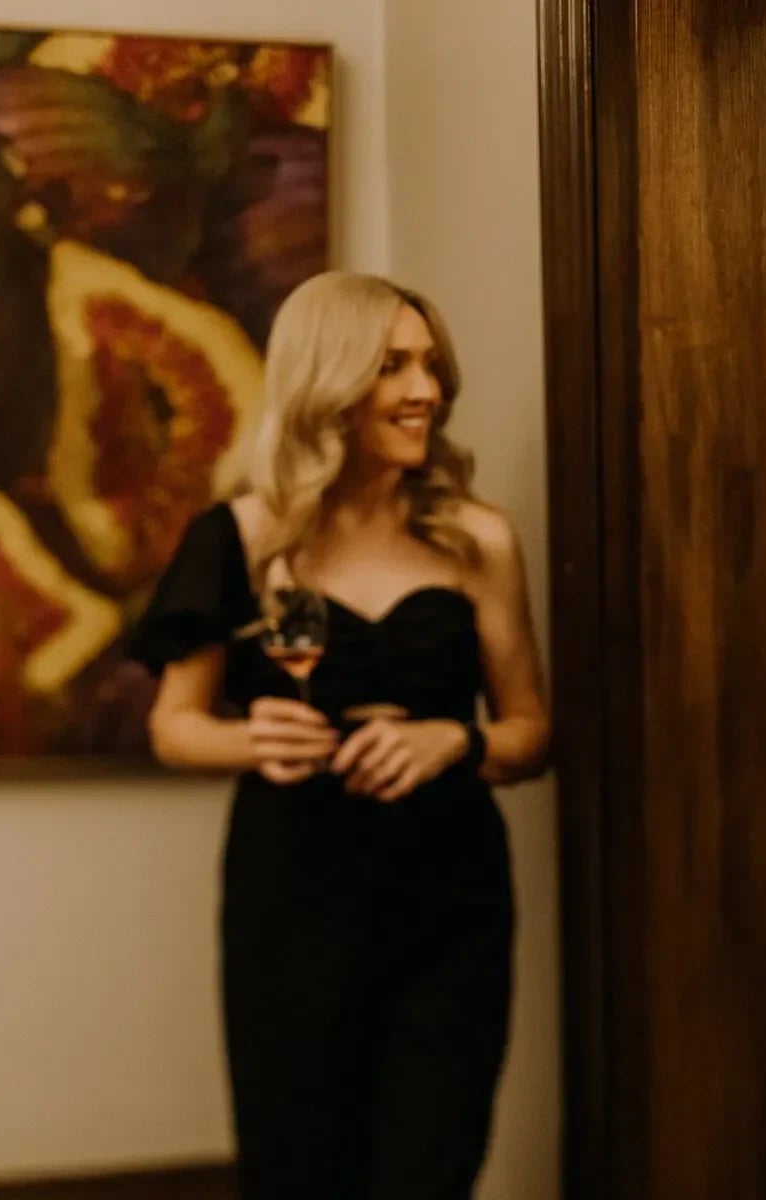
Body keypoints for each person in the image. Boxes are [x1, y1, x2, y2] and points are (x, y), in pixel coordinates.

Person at [131, 272, 551, 1198]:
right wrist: (254, 741)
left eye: (431, 367)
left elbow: (530, 732)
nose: (426, 392)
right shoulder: (240, 539)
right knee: (299, 1167)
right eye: (394, 366)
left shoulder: (477, 540)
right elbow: (175, 728)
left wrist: (459, 743)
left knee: (431, 1166)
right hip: (293, 901)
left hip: (450, 902)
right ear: (329, 377)